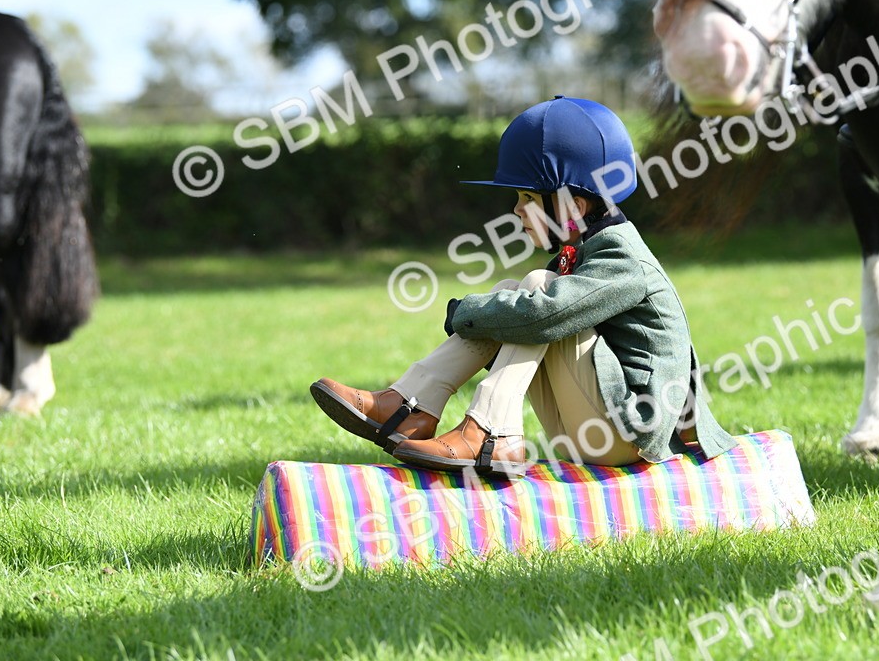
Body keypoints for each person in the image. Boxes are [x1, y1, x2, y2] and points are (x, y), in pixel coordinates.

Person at [310, 95, 736, 478]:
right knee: (522, 288)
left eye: (526, 199)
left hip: (632, 434)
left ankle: (489, 431)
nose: (516, 211)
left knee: (535, 290)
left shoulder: (623, 260)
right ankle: (409, 404)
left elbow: (542, 313)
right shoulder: (589, 249)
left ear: (574, 205)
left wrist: (464, 312)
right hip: (593, 427)